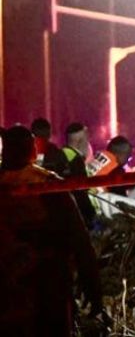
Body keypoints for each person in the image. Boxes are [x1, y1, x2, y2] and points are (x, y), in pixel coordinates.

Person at [0, 125, 102, 335]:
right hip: (48, 286)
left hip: (9, 290)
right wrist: (93, 287)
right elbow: (79, 238)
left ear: (5, 151)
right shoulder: (48, 183)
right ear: (33, 151)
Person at [61, 122, 96, 227]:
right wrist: (91, 215)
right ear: (81, 142)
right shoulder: (75, 160)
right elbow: (81, 192)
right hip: (75, 218)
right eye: (87, 140)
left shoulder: (61, 154)